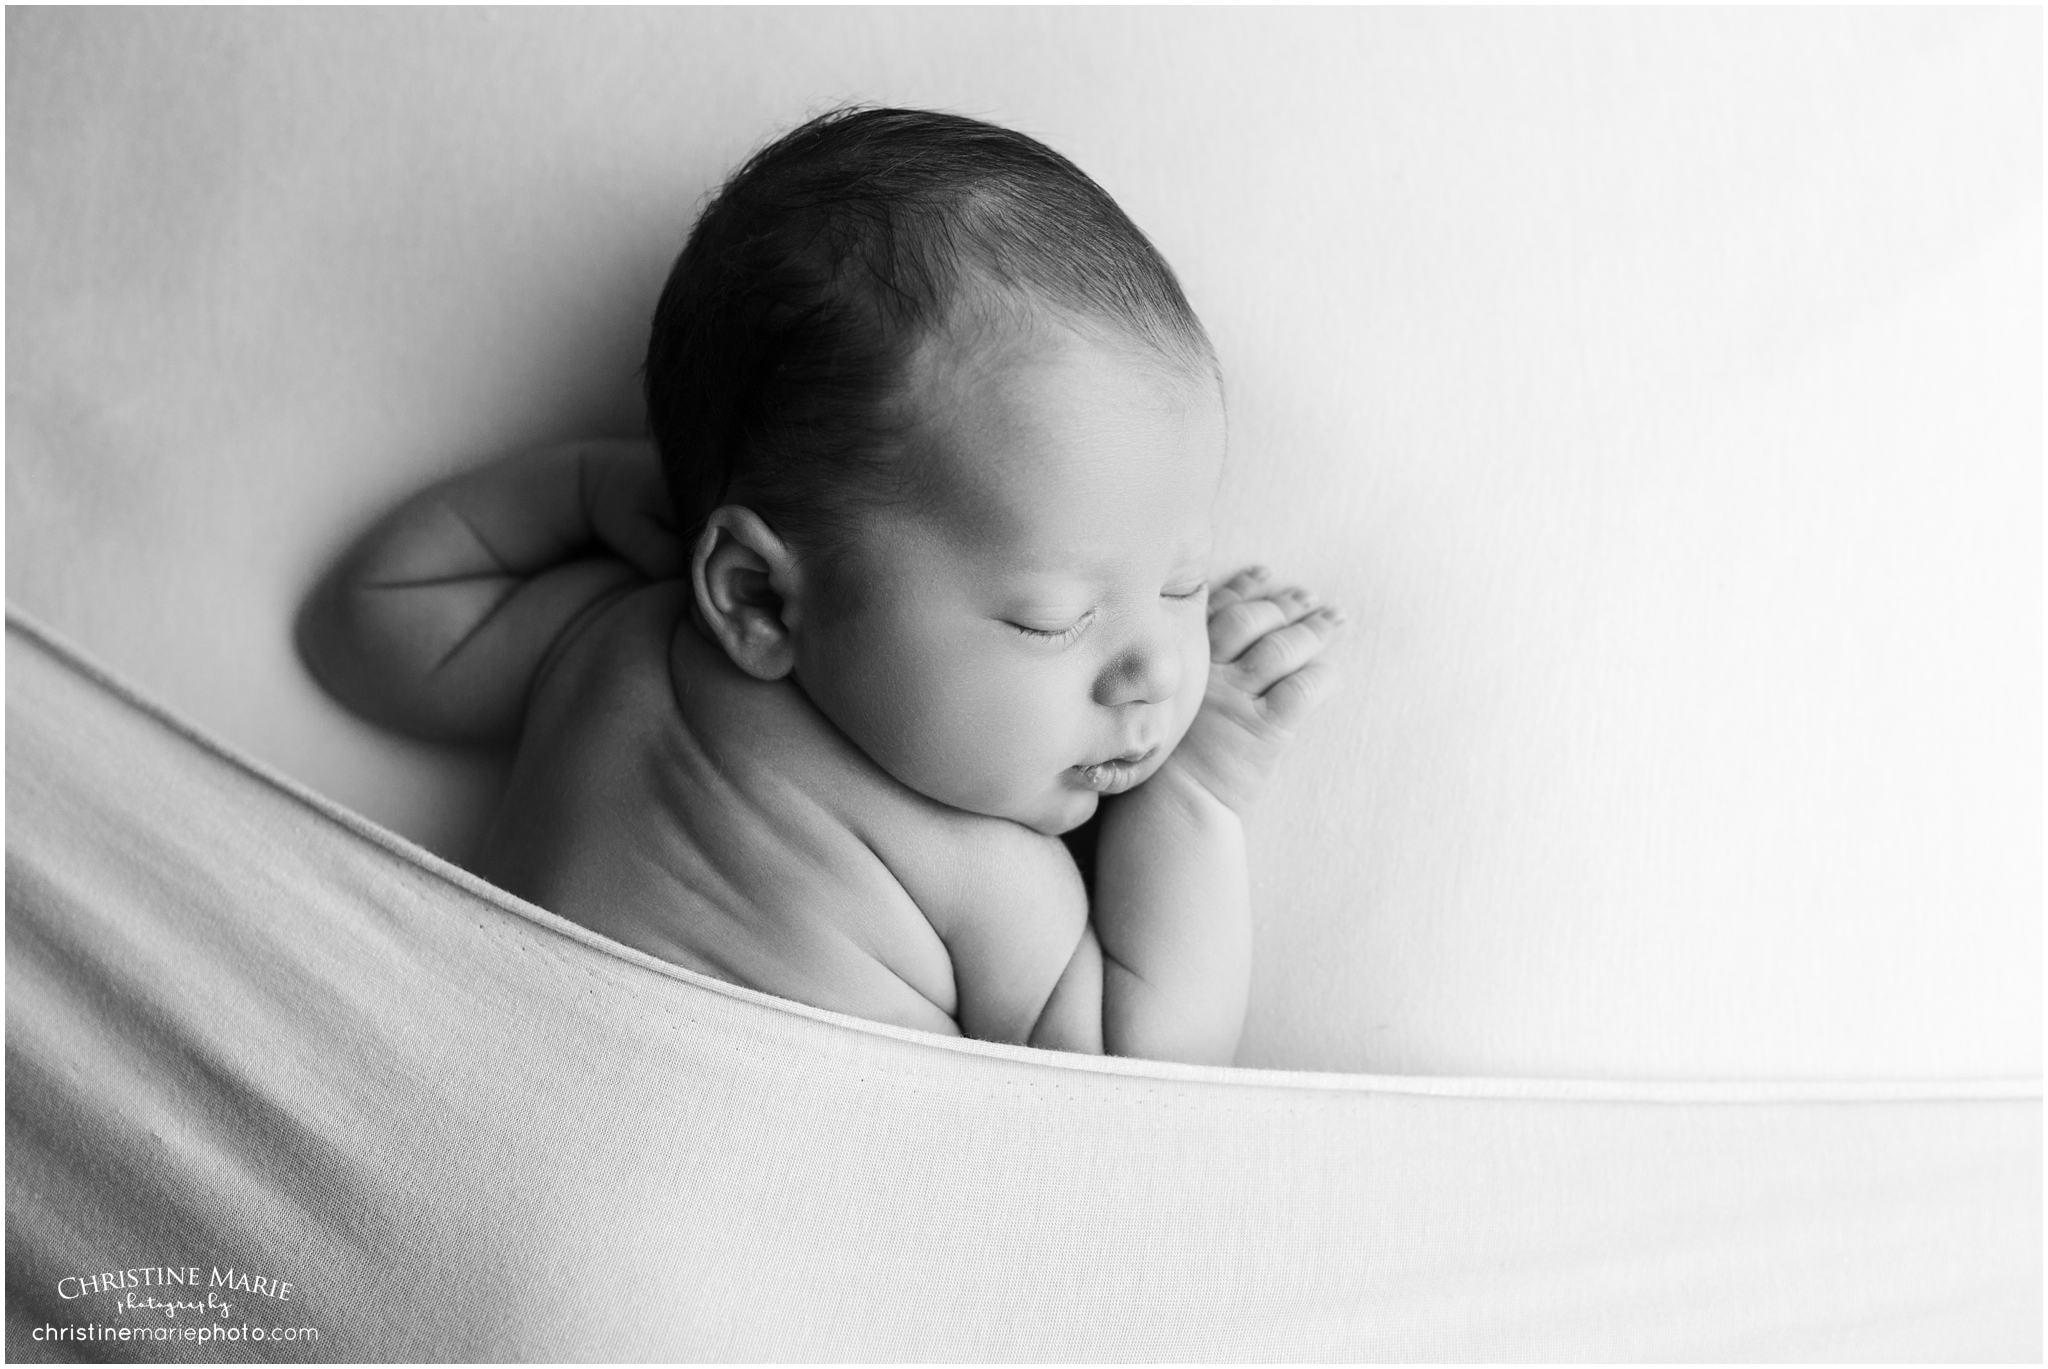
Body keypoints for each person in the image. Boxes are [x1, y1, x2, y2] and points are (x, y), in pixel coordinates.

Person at [298, 107, 1343, 1065]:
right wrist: (1195, 798)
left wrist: (588, 493)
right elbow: (1145, 1071)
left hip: (460, 1097)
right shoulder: (975, 870)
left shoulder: (610, 636)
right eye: (1052, 617)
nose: (1155, 670)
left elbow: (376, 619)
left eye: (1180, 585)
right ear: (755, 595)